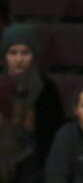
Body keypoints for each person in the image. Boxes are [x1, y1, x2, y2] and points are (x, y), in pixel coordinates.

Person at [0, 22, 64, 172]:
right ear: (4, 56)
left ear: (34, 55)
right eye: (13, 53)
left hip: (37, 164)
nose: (19, 59)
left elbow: (52, 138)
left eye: (25, 52)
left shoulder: (47, 89)